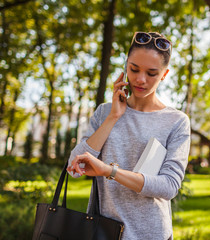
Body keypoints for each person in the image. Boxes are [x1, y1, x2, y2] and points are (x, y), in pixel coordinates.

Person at [67, 32, 191, 240]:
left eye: (152, 73)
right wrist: (114, 116)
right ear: (126, 66)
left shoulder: (176, 121)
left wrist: (109, 171)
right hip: (103, 231)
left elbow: (169, 186)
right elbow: (74, 168)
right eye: (134, 69)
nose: (140, 79)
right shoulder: (104, 113)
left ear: (164, 74)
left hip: (151, 234)